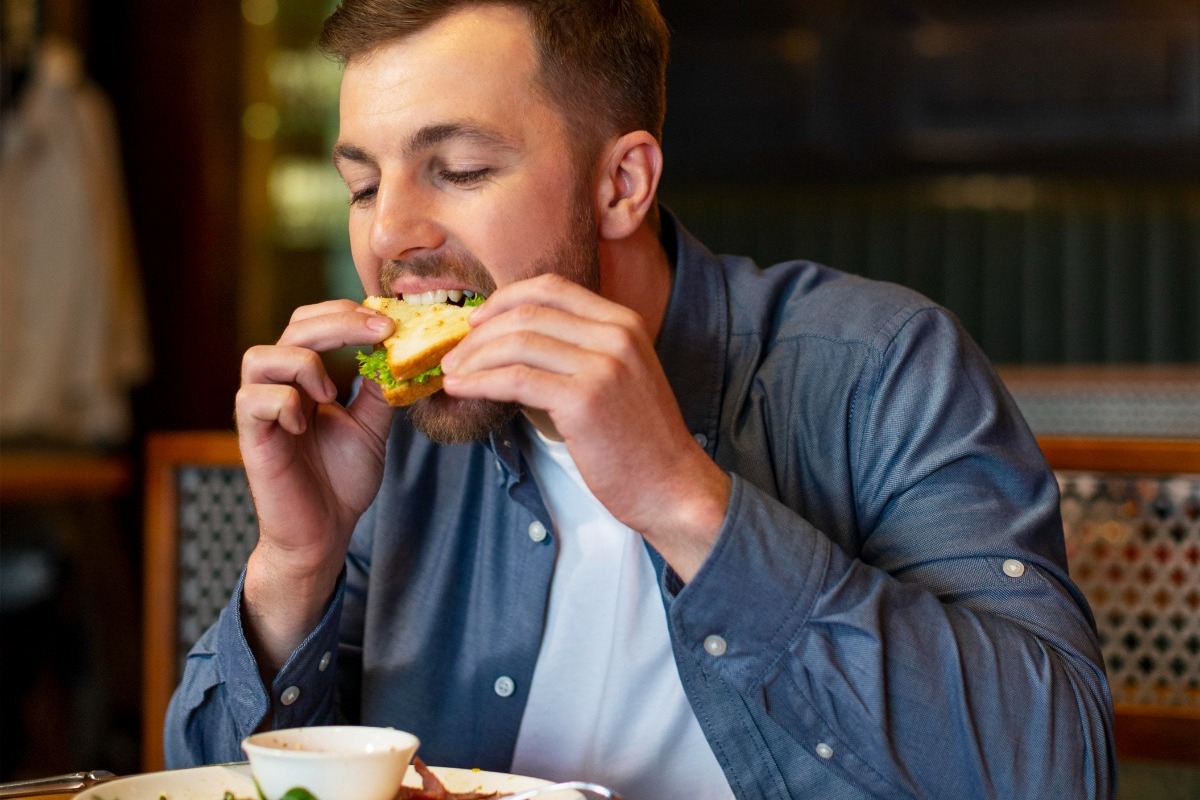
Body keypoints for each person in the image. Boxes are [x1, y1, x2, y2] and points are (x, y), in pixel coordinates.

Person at [165, 1, 1115, 797]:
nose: (392, 234)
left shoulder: (879, 368)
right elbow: (208, 781)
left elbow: (1061, 771)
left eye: (456, 170)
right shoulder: (396, 439)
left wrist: (683, 501)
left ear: (622, 184)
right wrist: (296, 564)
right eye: (365, 184)